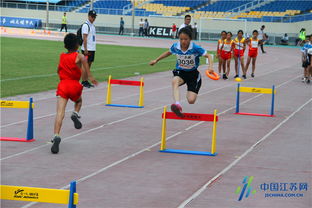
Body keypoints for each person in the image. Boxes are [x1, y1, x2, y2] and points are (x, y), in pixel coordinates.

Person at [149, 27, 214, 117]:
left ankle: (186, 96)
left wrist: (210, 67)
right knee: (175, 80)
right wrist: (156, 60)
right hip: (181, 72)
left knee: (191, 100)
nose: (183, 41)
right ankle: (177, 104)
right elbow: (168, 52)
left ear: (190, 39)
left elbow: (209, 56)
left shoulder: (195, 48)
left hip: (193, 75)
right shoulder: (176, 46)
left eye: (185, 39)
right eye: (181, 39)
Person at [51, 33, 98, 154]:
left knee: (59, 113)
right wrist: (90, 77)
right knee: (79, 101)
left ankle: (56, 136)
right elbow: (86, 65)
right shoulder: (79, 56)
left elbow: (58, 70)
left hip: (63, 85)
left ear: (65, 45)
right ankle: (75, 114)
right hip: (74, 85)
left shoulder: (62, 56)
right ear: (77, 45)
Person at [81, 10, 97, 88]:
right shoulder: (86, 25)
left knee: (89, 65)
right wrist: (85, 49)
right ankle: (84, 81)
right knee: (85, 66)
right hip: (87, 49)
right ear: (89, 16)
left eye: (94, 17)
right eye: (92, 17)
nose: (94, 18)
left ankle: (85, 80)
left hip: (92, 48)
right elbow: (84, 38)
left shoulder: (92, 26)